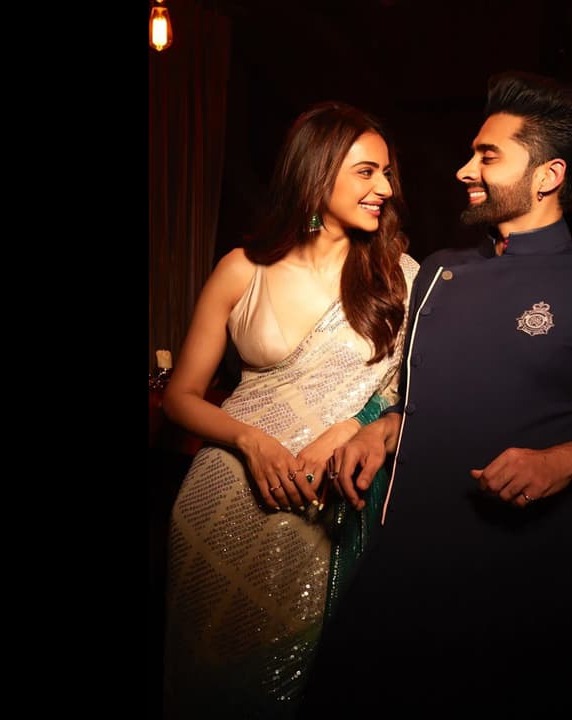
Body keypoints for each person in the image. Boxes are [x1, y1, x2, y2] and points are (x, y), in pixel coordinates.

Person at [300, 72, 572, 717]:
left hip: (528, 575)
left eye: (488, 156)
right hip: (408, 559)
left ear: (548, 176)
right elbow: (419, 398)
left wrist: (567, 459)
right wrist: (380, 430)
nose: (464, 170)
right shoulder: (440, 271)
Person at [159, 101, 420, 719]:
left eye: (386, 173)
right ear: (316, 171)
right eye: (366, 172)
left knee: (302, 686)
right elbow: (179, 397)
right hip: (222, 504)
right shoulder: (242, 269)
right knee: (207, 685)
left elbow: (414, 398)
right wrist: (252, 442)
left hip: (326, 509)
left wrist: (355, 426)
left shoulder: (400, 277)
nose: (385, 188)